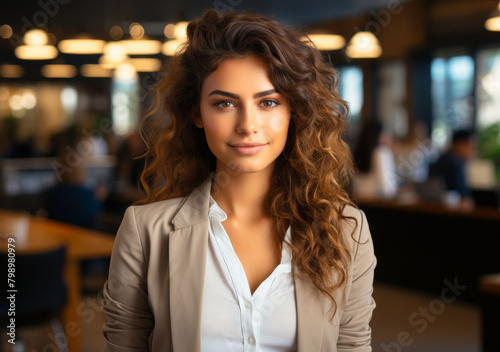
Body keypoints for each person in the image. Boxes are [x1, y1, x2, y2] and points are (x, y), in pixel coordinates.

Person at [102, 9, 376, 352]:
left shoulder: (347, 231)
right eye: (225, 103)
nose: (248, 125)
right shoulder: (145, 233)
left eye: (268, 102)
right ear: (197, 113)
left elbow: (351, 345)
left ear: (294, 111)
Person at [352, 119, 397, 199]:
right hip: (380, 205)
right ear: (377, 135)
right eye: (385, 133)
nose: (389, 136)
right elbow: (388, 190)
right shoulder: (382, 152)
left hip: (361, 203)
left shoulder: (357, 154)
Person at [429, 129, 476, 201]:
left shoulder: (442, 159)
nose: (473, 151)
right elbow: (463, 196)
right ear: (460, 145)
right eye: (471, 147)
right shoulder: (453, 165)